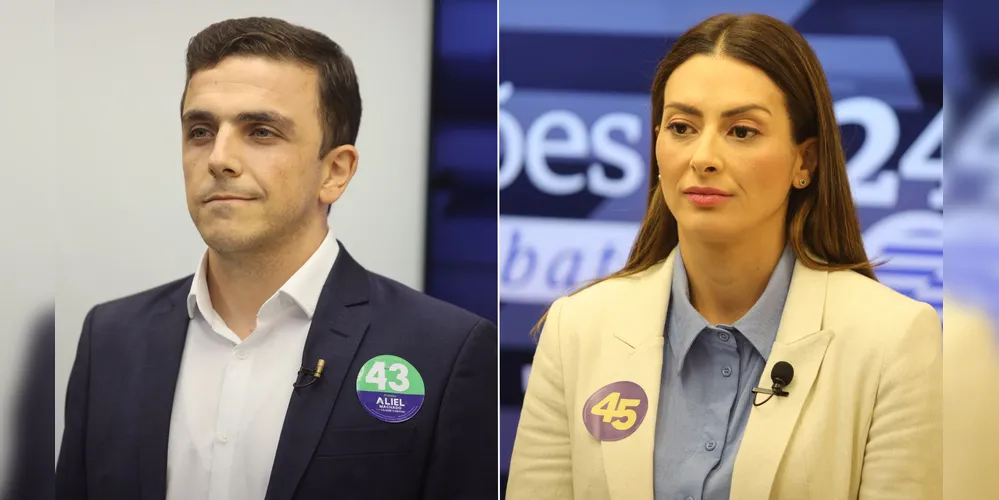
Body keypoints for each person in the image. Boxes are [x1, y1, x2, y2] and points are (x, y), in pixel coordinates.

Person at [55, 17, 497, 500]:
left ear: (335, 171)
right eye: (200, 130)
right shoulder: (111, 338)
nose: (219, 158)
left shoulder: (445, 350)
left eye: (261, 132)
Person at [505, 13, 941, 500]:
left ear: (806, 161)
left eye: (742, 131)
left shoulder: (894, 340)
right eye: (682, 126)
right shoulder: (577, 329)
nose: (703, 157)